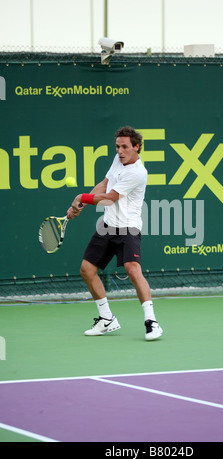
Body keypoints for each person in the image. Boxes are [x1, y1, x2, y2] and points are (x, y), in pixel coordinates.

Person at [67, 126, 163, 341]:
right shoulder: (118, 160)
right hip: (108, 225)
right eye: (118, 147)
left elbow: (111, 197)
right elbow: (105, 184)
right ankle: (106, 318)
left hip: (129, 227)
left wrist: (81, 197)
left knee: (132, 269)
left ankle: (152, 322)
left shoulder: (137, 172)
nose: (120, 151)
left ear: (137, 147)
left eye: (125, 147)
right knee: (86, 269)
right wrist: (81, 204)